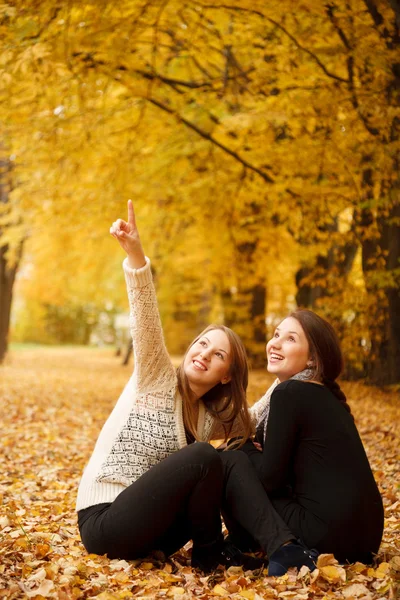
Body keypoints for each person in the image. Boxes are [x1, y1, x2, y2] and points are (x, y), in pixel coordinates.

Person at [76, 201, 317, 575]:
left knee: (228, 458)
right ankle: (211, 551)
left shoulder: (210, 420)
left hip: (158, 532)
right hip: (105, 520)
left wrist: (291, 374)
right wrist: (136, 255)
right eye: (202, 343)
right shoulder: (155, 377)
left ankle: (281, 548)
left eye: (218, 354)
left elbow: (253, 415)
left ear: (225, 376)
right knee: (205, 456)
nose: (204, 353)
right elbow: (145, 319)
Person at [232, 309, 384, 570]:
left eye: (290, 339)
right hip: (367, 538)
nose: (275, 343)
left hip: (329, 537)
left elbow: (270, 481)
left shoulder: (289, 392)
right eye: (276, 334)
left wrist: (246, 447)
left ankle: (238, 544)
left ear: (313, 359)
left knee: (232, 458)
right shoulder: (320, 393)